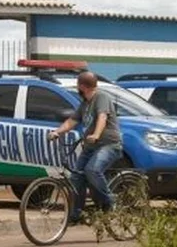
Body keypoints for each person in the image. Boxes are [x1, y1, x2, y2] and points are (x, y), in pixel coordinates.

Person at [49, 71, 123, 224]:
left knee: (92, 170)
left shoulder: (101, 97)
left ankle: (110, 202)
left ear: (83, 86)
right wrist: (57, 132)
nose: (77, 87)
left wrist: (96, 134)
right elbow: (72, 121)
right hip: (91, 146)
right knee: (76, 177)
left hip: (109, 145)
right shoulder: (85, 104)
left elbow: (102, 116)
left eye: (78, 85)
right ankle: (77, 214)